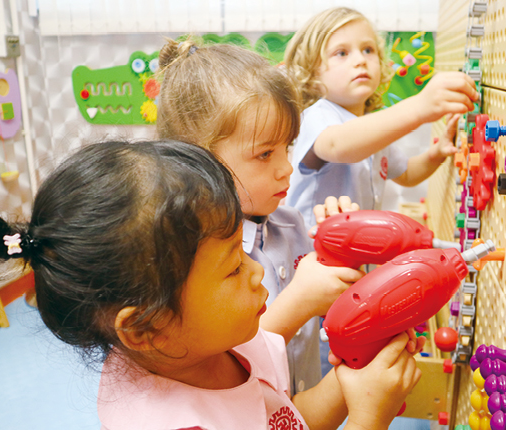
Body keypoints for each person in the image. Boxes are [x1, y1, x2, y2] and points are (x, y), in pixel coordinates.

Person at [0, 140, 424, 430]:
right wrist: (368, 419)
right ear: (147, 327)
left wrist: (348, 383)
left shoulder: (200, 346)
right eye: (235, 267)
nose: (257, 271)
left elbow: (283, 416)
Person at [155, 38, 362, 394]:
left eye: (288, 147)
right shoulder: (196, 260)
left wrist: (340, 255)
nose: (286, 168)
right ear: (198, 160)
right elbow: (228, 362)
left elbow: (333, 305)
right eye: (265, 154)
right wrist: (301, 300)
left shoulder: (291, 223)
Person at [284, 7, 479, 228]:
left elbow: (406, 174)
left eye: (368, 50)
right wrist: (418, 107)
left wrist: (436, 154)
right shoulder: (316, 116)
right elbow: (338, 145)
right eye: (342, 53)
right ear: (312, 72)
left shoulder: (371, 126)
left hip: (355, 254)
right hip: (311, 255)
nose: (360, 60)